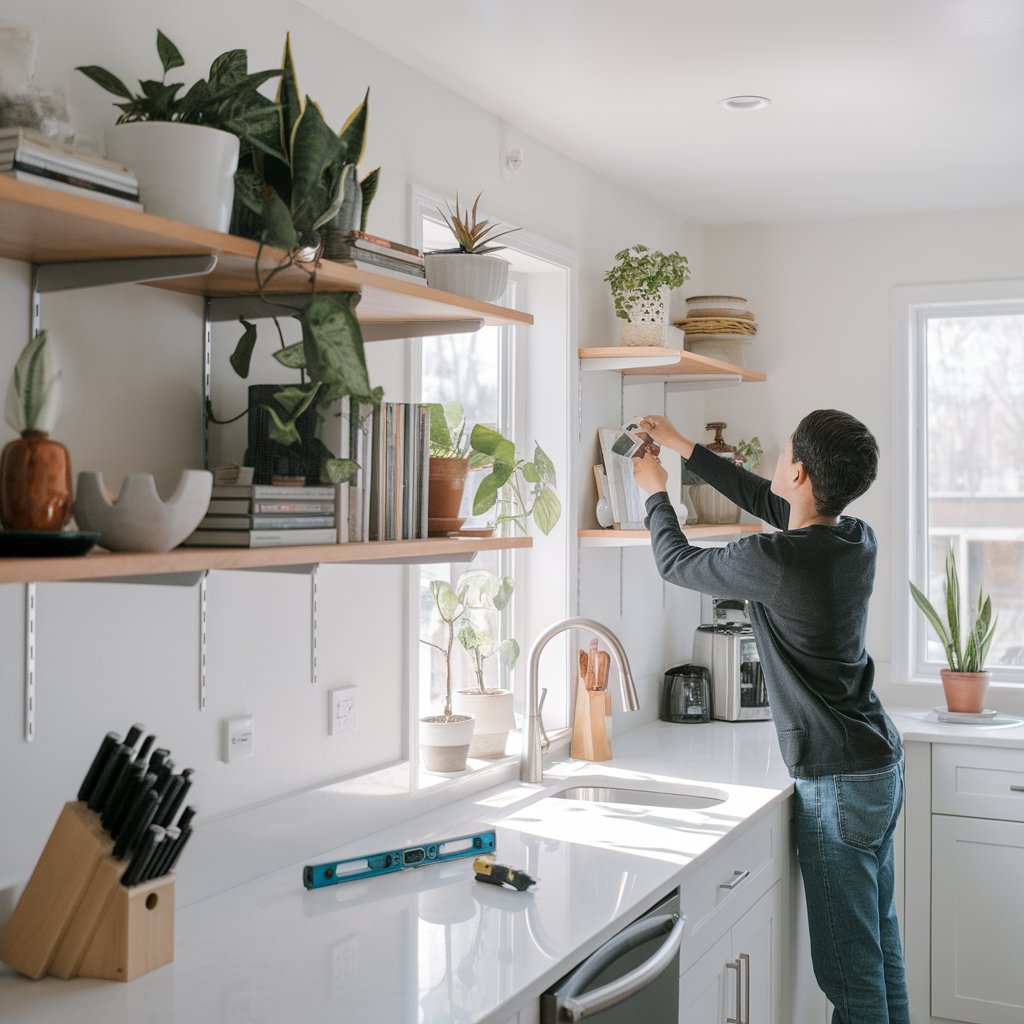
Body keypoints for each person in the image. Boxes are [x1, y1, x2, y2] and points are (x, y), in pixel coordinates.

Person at [632, 410, 908, 1024]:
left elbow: (675, 563)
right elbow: (767, 499)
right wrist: (683, 447)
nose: (778, 462)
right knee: (880, 952)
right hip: (878, 765)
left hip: (837, 782)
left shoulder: (775, 559)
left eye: (785, 452)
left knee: (850, 977)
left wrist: (655, 492)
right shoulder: (854, 537)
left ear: (801, 471)